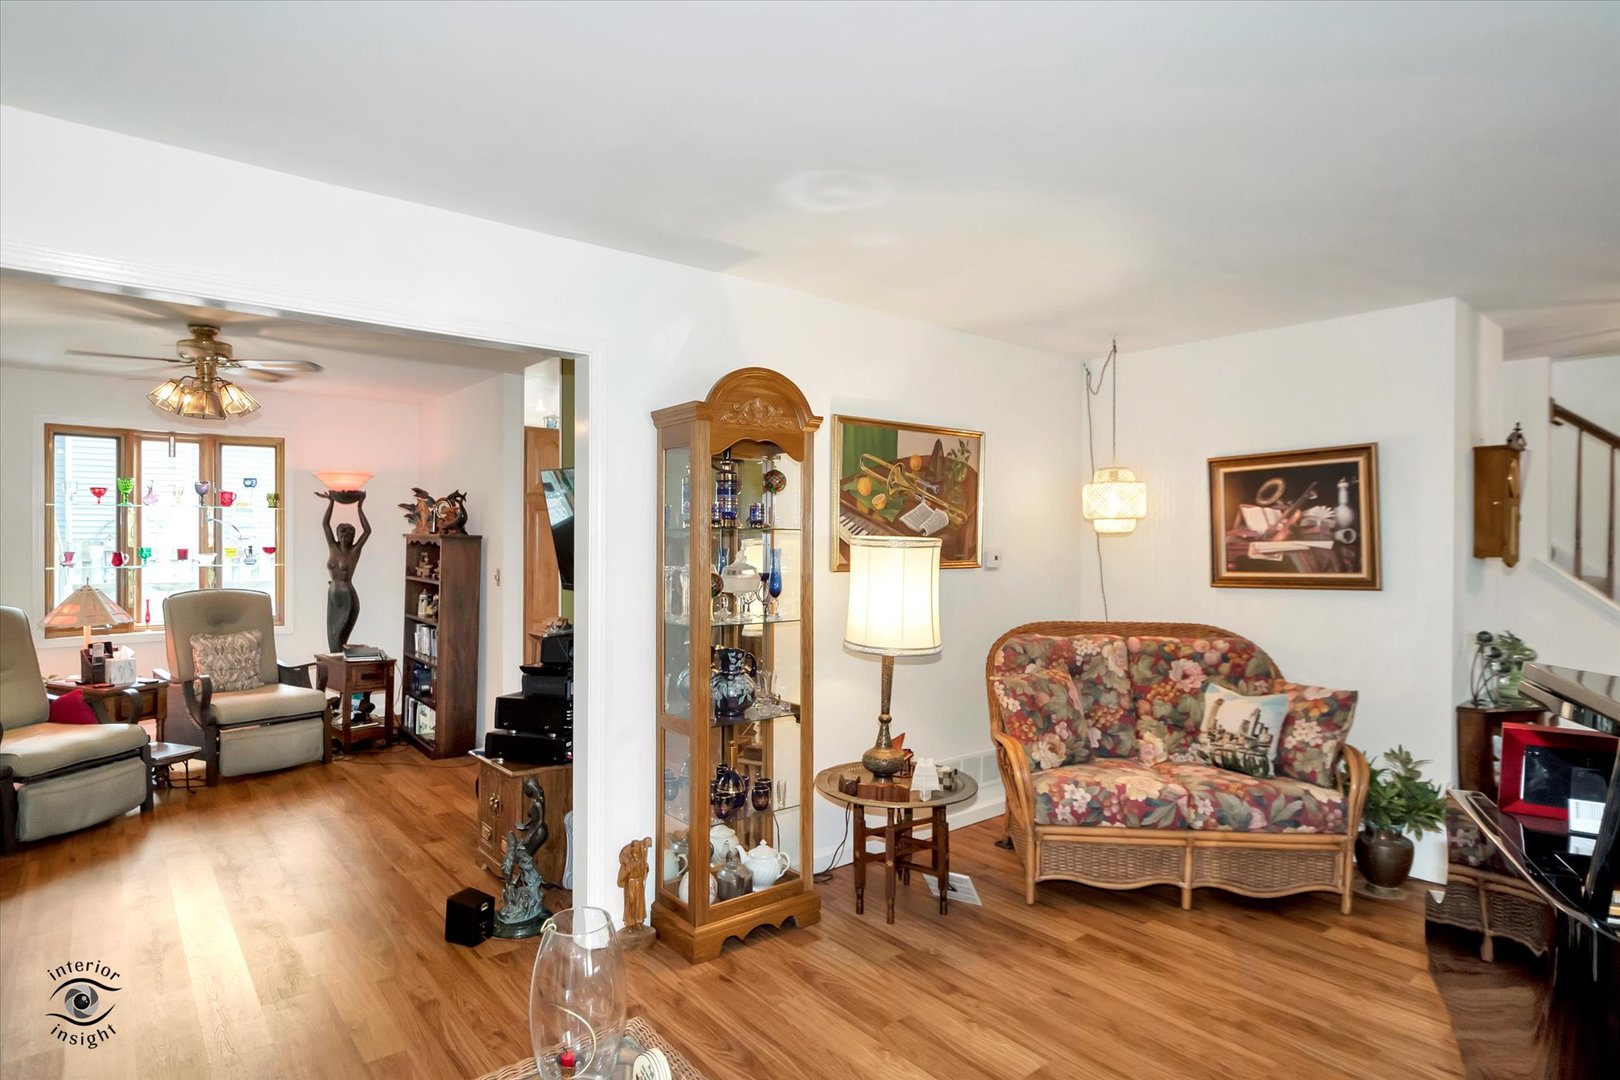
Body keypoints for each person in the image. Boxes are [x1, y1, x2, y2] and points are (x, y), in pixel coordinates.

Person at [316, 491, 371, 651]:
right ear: (338, 535)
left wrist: (360, 507)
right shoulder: (332, 547)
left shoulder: (354, 552)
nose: (345, 539)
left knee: (338, 640)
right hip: (333, 595)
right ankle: (337, 670)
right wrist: (331, 502)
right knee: (333, 641)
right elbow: (325, 525)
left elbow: (367, 531)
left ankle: (341, 670)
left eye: (349, 537)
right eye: (342, 535)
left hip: (347, 597)